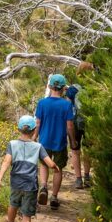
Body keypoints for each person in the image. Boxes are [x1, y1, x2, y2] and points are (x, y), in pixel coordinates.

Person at [0, 115, 61, 222]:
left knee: (13, 204)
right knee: (27, 213)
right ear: (34, 130)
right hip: (30, 185)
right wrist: (55, 167)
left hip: (16, 183)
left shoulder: (12, 144)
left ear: (19, 129)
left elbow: (6, 162)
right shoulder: (38, 147)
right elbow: (48, 163)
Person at [34, 74, 76, 210]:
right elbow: (69, 126)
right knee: (58, 169)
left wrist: (34, 137)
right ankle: (54, 197)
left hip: (44, 141)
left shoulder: (42, 103)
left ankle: (44, 187)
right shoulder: (66, 105)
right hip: (60, 142)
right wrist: (73, 140)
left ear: (50, 86)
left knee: (44, 165)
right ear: (63, 88)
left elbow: (38, 123)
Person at [65, 83, 91, 189]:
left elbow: (68, 107)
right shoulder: (93, 86)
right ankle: (87, 178)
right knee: (88, 150)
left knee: (75, 151)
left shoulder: (72, 89)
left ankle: (78, 180)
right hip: (89, 123)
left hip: (75, 123)